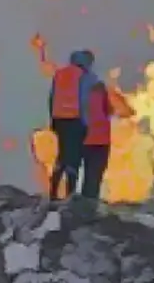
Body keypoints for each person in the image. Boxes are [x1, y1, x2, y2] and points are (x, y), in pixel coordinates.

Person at [48, 49, 99, 198]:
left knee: (62, 155)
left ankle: (53, 191)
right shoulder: (86, 76)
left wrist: (53, 118)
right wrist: (87, 124)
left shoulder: (59, 74)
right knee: (74, 158)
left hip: (59, 120)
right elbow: (85, 101)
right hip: (75, 120)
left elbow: (52, 98)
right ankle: (70, 194)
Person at [80, 80, 114, 201]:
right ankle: (91, 201)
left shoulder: (83, 99)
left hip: (86, 140)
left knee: (88, 173)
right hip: (102, 142)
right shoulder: (104, 98)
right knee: (97, 173)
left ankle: (85, 200)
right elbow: (111, 111)